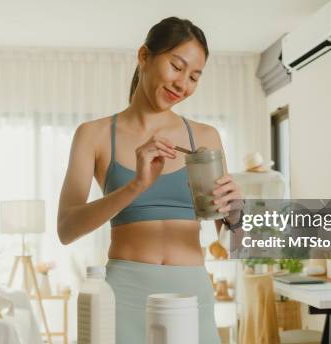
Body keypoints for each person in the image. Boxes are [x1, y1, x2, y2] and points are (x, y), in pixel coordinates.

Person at [57, 16, 243, 343]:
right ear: (144, 56)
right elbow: (66, 229)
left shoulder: (204, 138)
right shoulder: (95, 135)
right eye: (176, 66)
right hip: (125, 294)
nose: (182, 84)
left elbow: (232, 243)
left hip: (191, 294)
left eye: (194, 77)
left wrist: (235, 213)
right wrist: (135, 186)